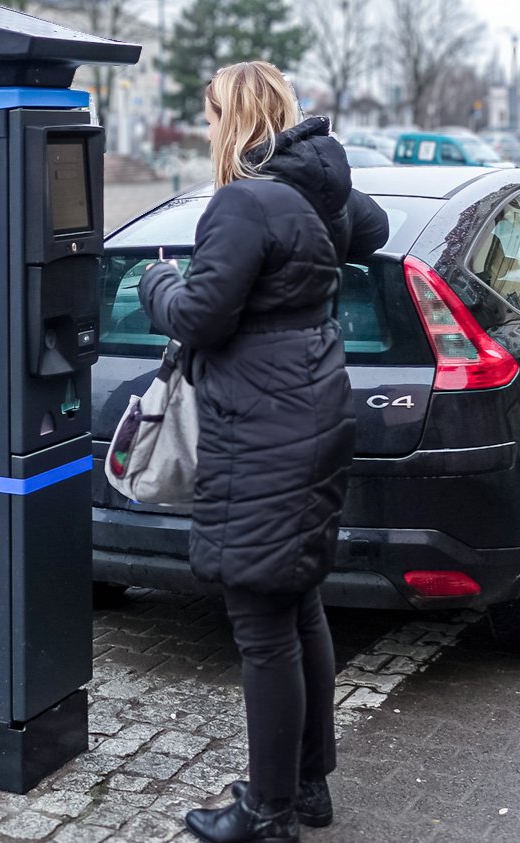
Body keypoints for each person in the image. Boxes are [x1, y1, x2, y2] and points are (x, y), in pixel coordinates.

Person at [138, 61, 388, 843]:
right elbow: (373, 229)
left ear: (236, 118)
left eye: (211, 112)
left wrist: (155, 284)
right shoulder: (314, 194)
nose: (205, 125)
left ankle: (267, 813)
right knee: (299, 599)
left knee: (261, 622)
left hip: (264, 431)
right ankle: (308, 788)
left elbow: (201, 318)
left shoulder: (243, 202)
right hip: (312, 412)